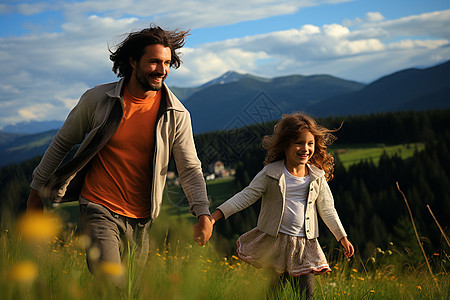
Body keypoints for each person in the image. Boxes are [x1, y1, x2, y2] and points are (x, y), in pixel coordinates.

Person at [26, 24, 213, 276]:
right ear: (133, 61)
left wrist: (202, 213)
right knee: (110, 280)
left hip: (143, 218)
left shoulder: (176, 115)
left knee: (130, 290)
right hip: (98, 206)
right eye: (154, 62)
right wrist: (36, 190)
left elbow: (189, 168)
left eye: (167, 63)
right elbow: (63, 142)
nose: (162, 70)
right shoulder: (97, 100)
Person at [210, 113, 354, 299]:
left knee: (306, 295)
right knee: (272, 294)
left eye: (310, 143)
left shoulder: (317, 176)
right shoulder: (270, 173)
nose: (305, 148)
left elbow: (327, 209)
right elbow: (245, 197)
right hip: (275, 244)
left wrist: (342, 237)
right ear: (285, 144)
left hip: (304, 246)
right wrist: (215, 217)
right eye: (299, 143)